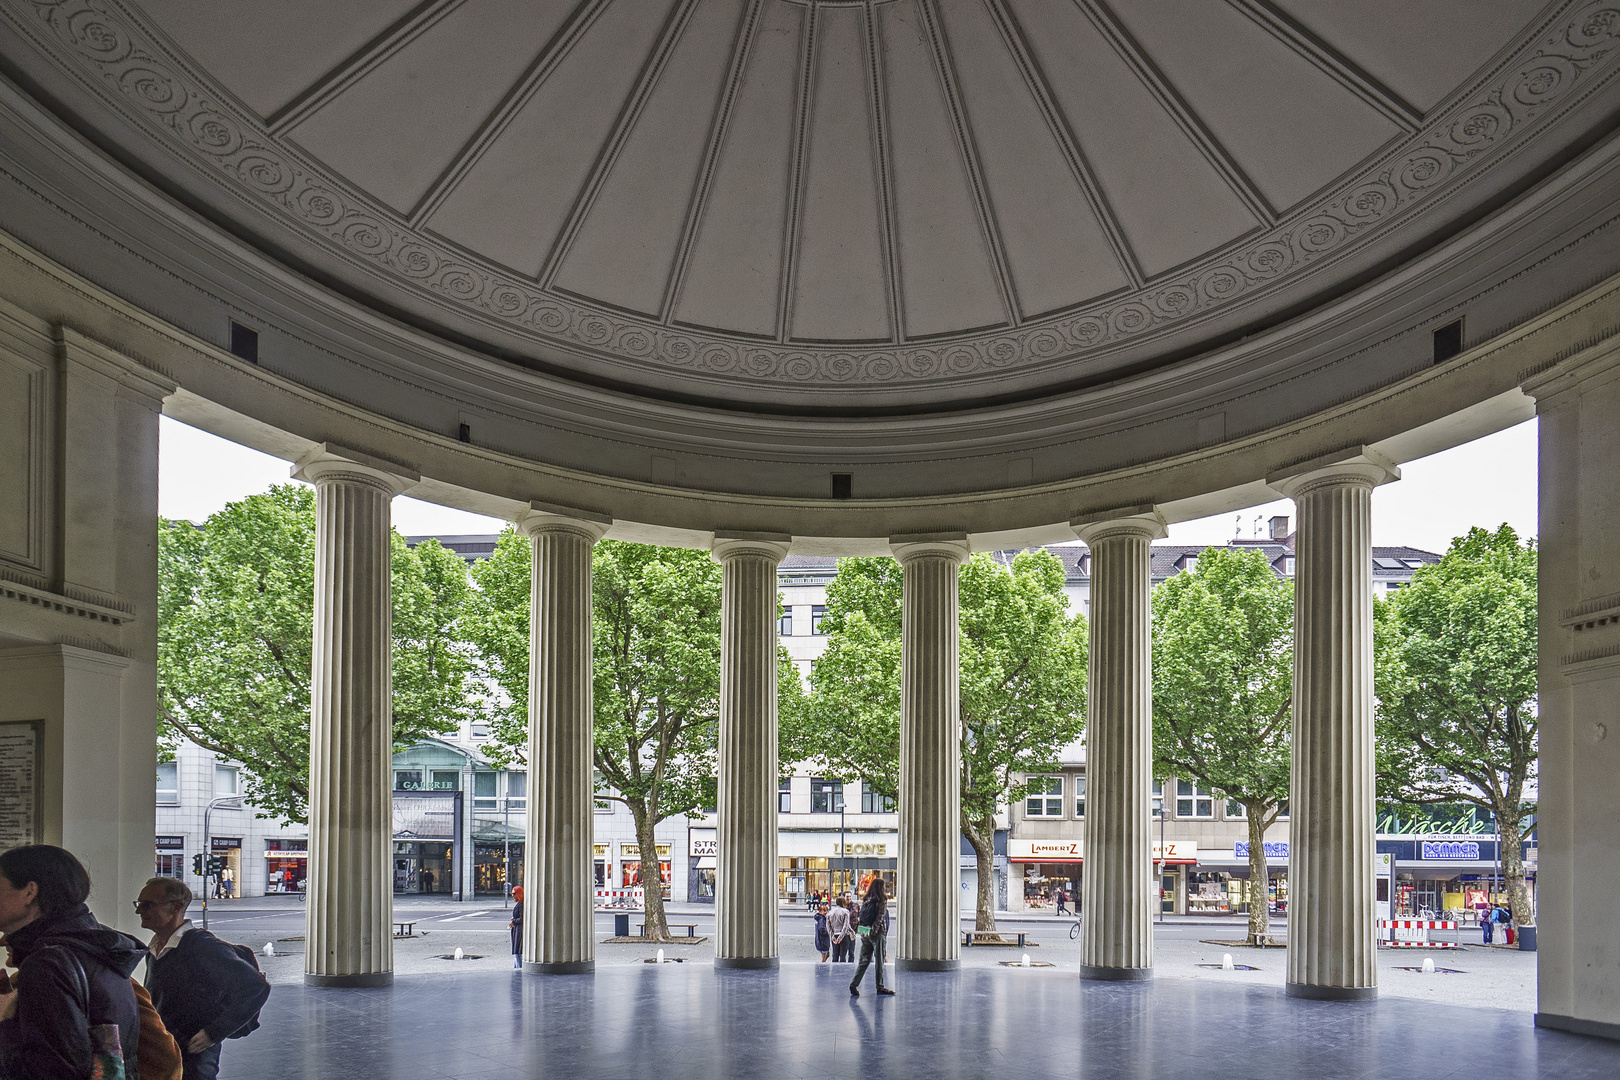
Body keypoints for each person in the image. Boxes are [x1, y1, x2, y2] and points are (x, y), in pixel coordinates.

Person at [0, 844, 144, 1080]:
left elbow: (50, 1072)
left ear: (29, 892)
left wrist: (4, 1018)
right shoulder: (94, 945)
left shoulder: (47, 964)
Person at [140, 876, 270, 1080]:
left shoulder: (201, 946)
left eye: (147, 905)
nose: (139, 910)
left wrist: (213, 1033)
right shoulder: (156, 947)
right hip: (169, 1051)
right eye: (139, 904)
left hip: (194, 1060)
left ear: (175, 907)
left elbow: (256, 987)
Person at [849, 879, 893, 997]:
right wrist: (874, 932)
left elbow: (862, 916)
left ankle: (854, 983)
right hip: (877, 934)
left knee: (864, 960)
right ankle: (880, 986)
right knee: (879, 960)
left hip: (866, 933)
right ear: (880, 887)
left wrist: (865, 931)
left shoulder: (866, 899)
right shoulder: (882, 900)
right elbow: (880, 917)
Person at [827, 896, 854, 962]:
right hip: (844, 936)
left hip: (834, 934)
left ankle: (834, 970)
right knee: (842, 955)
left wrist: (832, 937)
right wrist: (840, 937)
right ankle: (842, 971)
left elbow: (828, 927)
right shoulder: (845, 912)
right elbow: (846, 926)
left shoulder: (830, 912)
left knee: (835, 955)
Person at [509, 885, 524, 969]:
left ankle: (518, 970)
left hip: (519, 930)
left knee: (518, 951)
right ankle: (516, 969)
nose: (512, 895)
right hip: (516, 929)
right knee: (516, 952)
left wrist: (514, 921)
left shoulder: (521, 904)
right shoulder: (519, 904)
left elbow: (522, 918)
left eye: (514, 893)